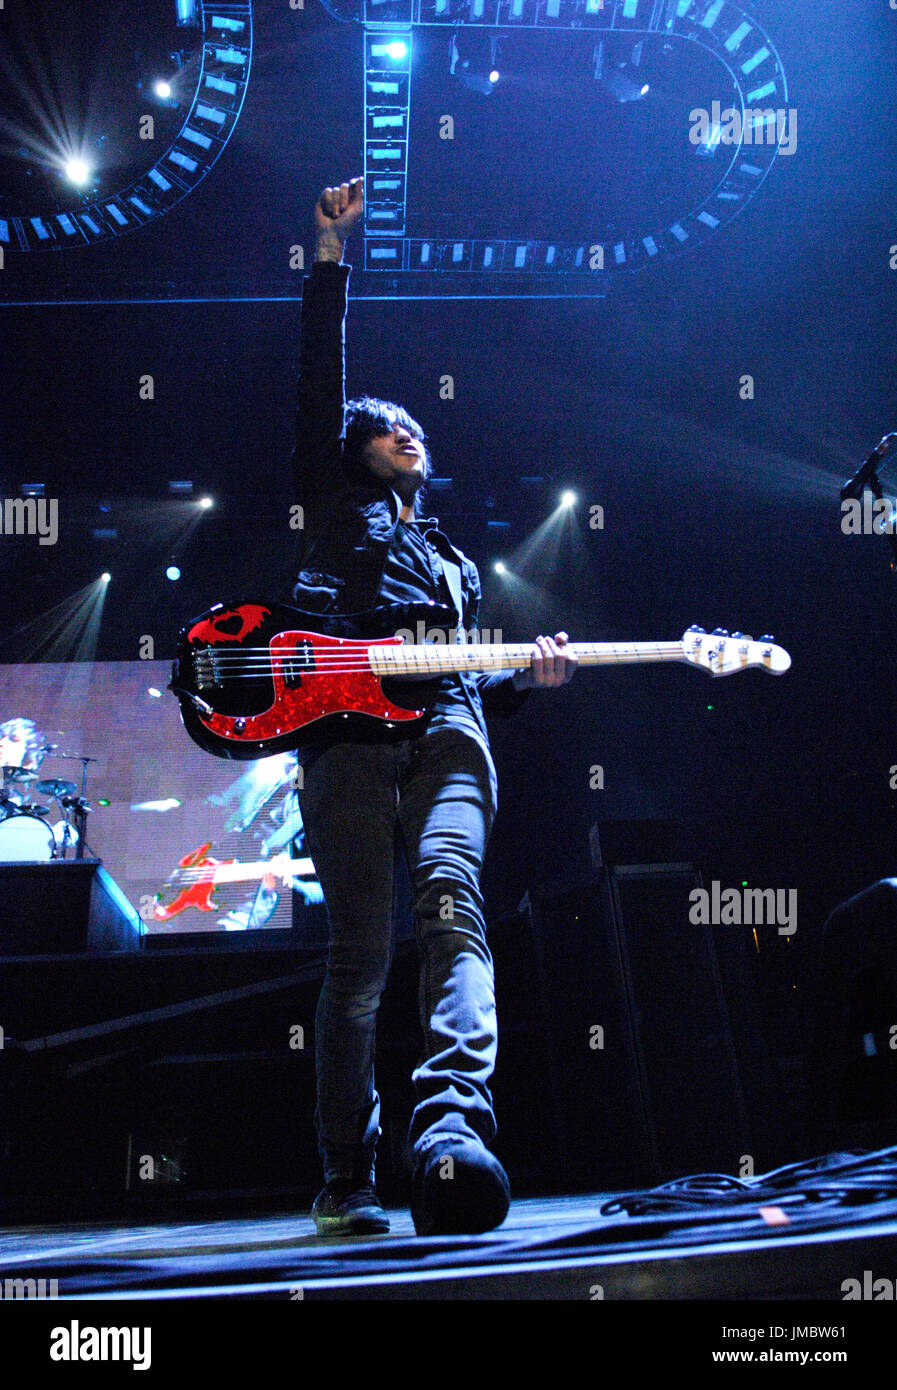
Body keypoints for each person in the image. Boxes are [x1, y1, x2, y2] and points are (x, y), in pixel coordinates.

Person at [292, 177, 577, 1237]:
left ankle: (451, 1137)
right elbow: (322, 385)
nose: (408, 433)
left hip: (452, 730)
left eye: (417, 428)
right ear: (356, 448)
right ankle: (345, 1178)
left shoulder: (454, 559)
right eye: (388, 428)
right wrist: (329, 259)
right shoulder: (336, 505)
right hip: (348, 738)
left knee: (455, 909)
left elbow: (478, 674)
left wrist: (528, 674)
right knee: (361, 957)